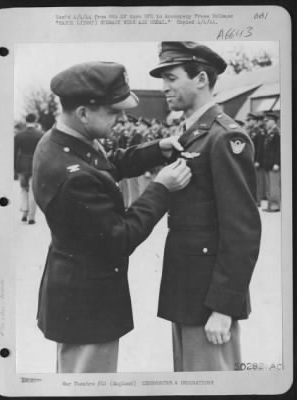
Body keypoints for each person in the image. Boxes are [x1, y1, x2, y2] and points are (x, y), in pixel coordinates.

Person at [32, 61, 191, 373]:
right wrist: (161, 189)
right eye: (113, 111)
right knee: (88, 388)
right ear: (83, 113)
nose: (122, 117)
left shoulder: (63, 143)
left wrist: (157, 150)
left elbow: (107, 166)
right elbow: (121, 237)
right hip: (88, 308)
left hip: (77, 297)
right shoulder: (72, 176)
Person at [149, 41, 261, 371]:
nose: (164, 87)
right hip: (186, 292)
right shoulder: (191, 133)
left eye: (171, 77)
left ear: (200, 79)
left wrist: (224, 308)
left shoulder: (224, 137)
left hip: (209, 302)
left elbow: (242, 228)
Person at [14, 113, 44, 224]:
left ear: (26, 121)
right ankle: (31, 217)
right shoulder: (40, 135)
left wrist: (14, 168)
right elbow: (43, 152)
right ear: (35, 121)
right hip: (35, 165)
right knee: (32, 190)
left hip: (21, 165)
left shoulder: (19, 135)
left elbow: (14, 152)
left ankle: (24, 212)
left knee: (23, 189)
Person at [245, 112, 267, 206]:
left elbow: (260, 148)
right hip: (250, 159)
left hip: (257, 160)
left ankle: (257, 200)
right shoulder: (250, 131)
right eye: (248, 120)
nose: (248, 122)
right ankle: (253, 199)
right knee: (251, 180)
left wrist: (257, 160)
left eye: (250, 120)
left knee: (258, 181)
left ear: (255, 121)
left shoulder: (259, 132)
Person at [262, 111, 281, 211]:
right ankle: (270, 205)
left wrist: (277, 163)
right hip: (268, 164)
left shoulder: (277, 133)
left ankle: (275, 206)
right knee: (268, 186)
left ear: (273, 121)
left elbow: (278, 149)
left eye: (267, 121)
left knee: (274, 186)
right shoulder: (269, 132)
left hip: (274, 164)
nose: (266, 123)